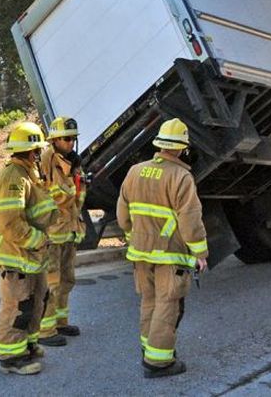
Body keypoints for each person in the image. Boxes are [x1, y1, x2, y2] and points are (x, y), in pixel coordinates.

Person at [117, 118, 208, 378]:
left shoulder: (135, 171)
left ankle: (150, 349)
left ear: (159, 144)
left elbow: (123, 214)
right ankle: (158, 362)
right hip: (170, 254)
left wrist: (132, 234)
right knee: (168, 304)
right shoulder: (181, 176)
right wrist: (200, 253)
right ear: (182, 148)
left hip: (140, 252)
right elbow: (190, 219)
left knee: (149, 300)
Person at [0, 122, 58, 375]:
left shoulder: (29, 173)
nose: (40, 155)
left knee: (37, 301)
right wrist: (37, 240)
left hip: (30, 255)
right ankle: (11, 358)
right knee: (17, 307)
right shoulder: (14, 176)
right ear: (32, 151)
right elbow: (9, 223)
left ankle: (27, 345)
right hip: (16, 254)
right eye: (39, 150)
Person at [38, 116, 87, 347]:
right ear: (55, 140)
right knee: (52, 281)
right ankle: (45, 330)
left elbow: (79, 195)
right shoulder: (47, 159)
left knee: (67, 280)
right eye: (66, 139)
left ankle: (60, 322)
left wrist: (79, 186)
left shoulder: (72, 161)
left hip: (69, 230)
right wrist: (71, 190)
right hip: (53, 231)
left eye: (73, 139)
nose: (70, 143)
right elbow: (51, 193)